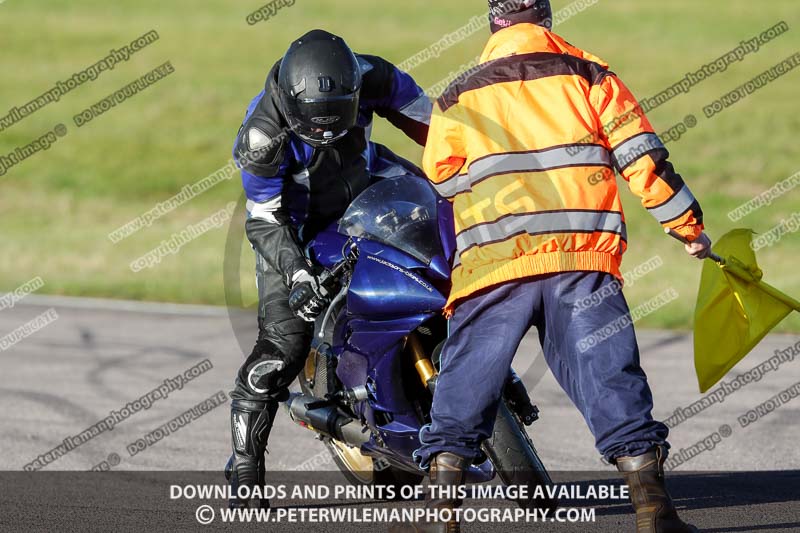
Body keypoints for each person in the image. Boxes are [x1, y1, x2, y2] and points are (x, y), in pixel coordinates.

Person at [402, 1, 709, 531]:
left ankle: (441, 510)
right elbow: (643, 160)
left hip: (496, 263)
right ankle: (652, 507)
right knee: (609, 372)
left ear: (494, 22)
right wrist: (687, 228)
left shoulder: (459, 95)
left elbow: (442, 176)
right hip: (581, 259)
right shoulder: (593, 76)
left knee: (468, 375)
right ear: (545, 17)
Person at [226, 29, 431, 508]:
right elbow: (263, 219)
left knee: (442, 214)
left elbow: (435, 126)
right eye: (314, 127)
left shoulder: (373, 75)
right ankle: (243, 467)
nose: (325, 135)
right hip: (293, 224)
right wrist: (298, 275)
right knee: (283, 346)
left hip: (366, 181)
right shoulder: (261, 137)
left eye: (336, 122)